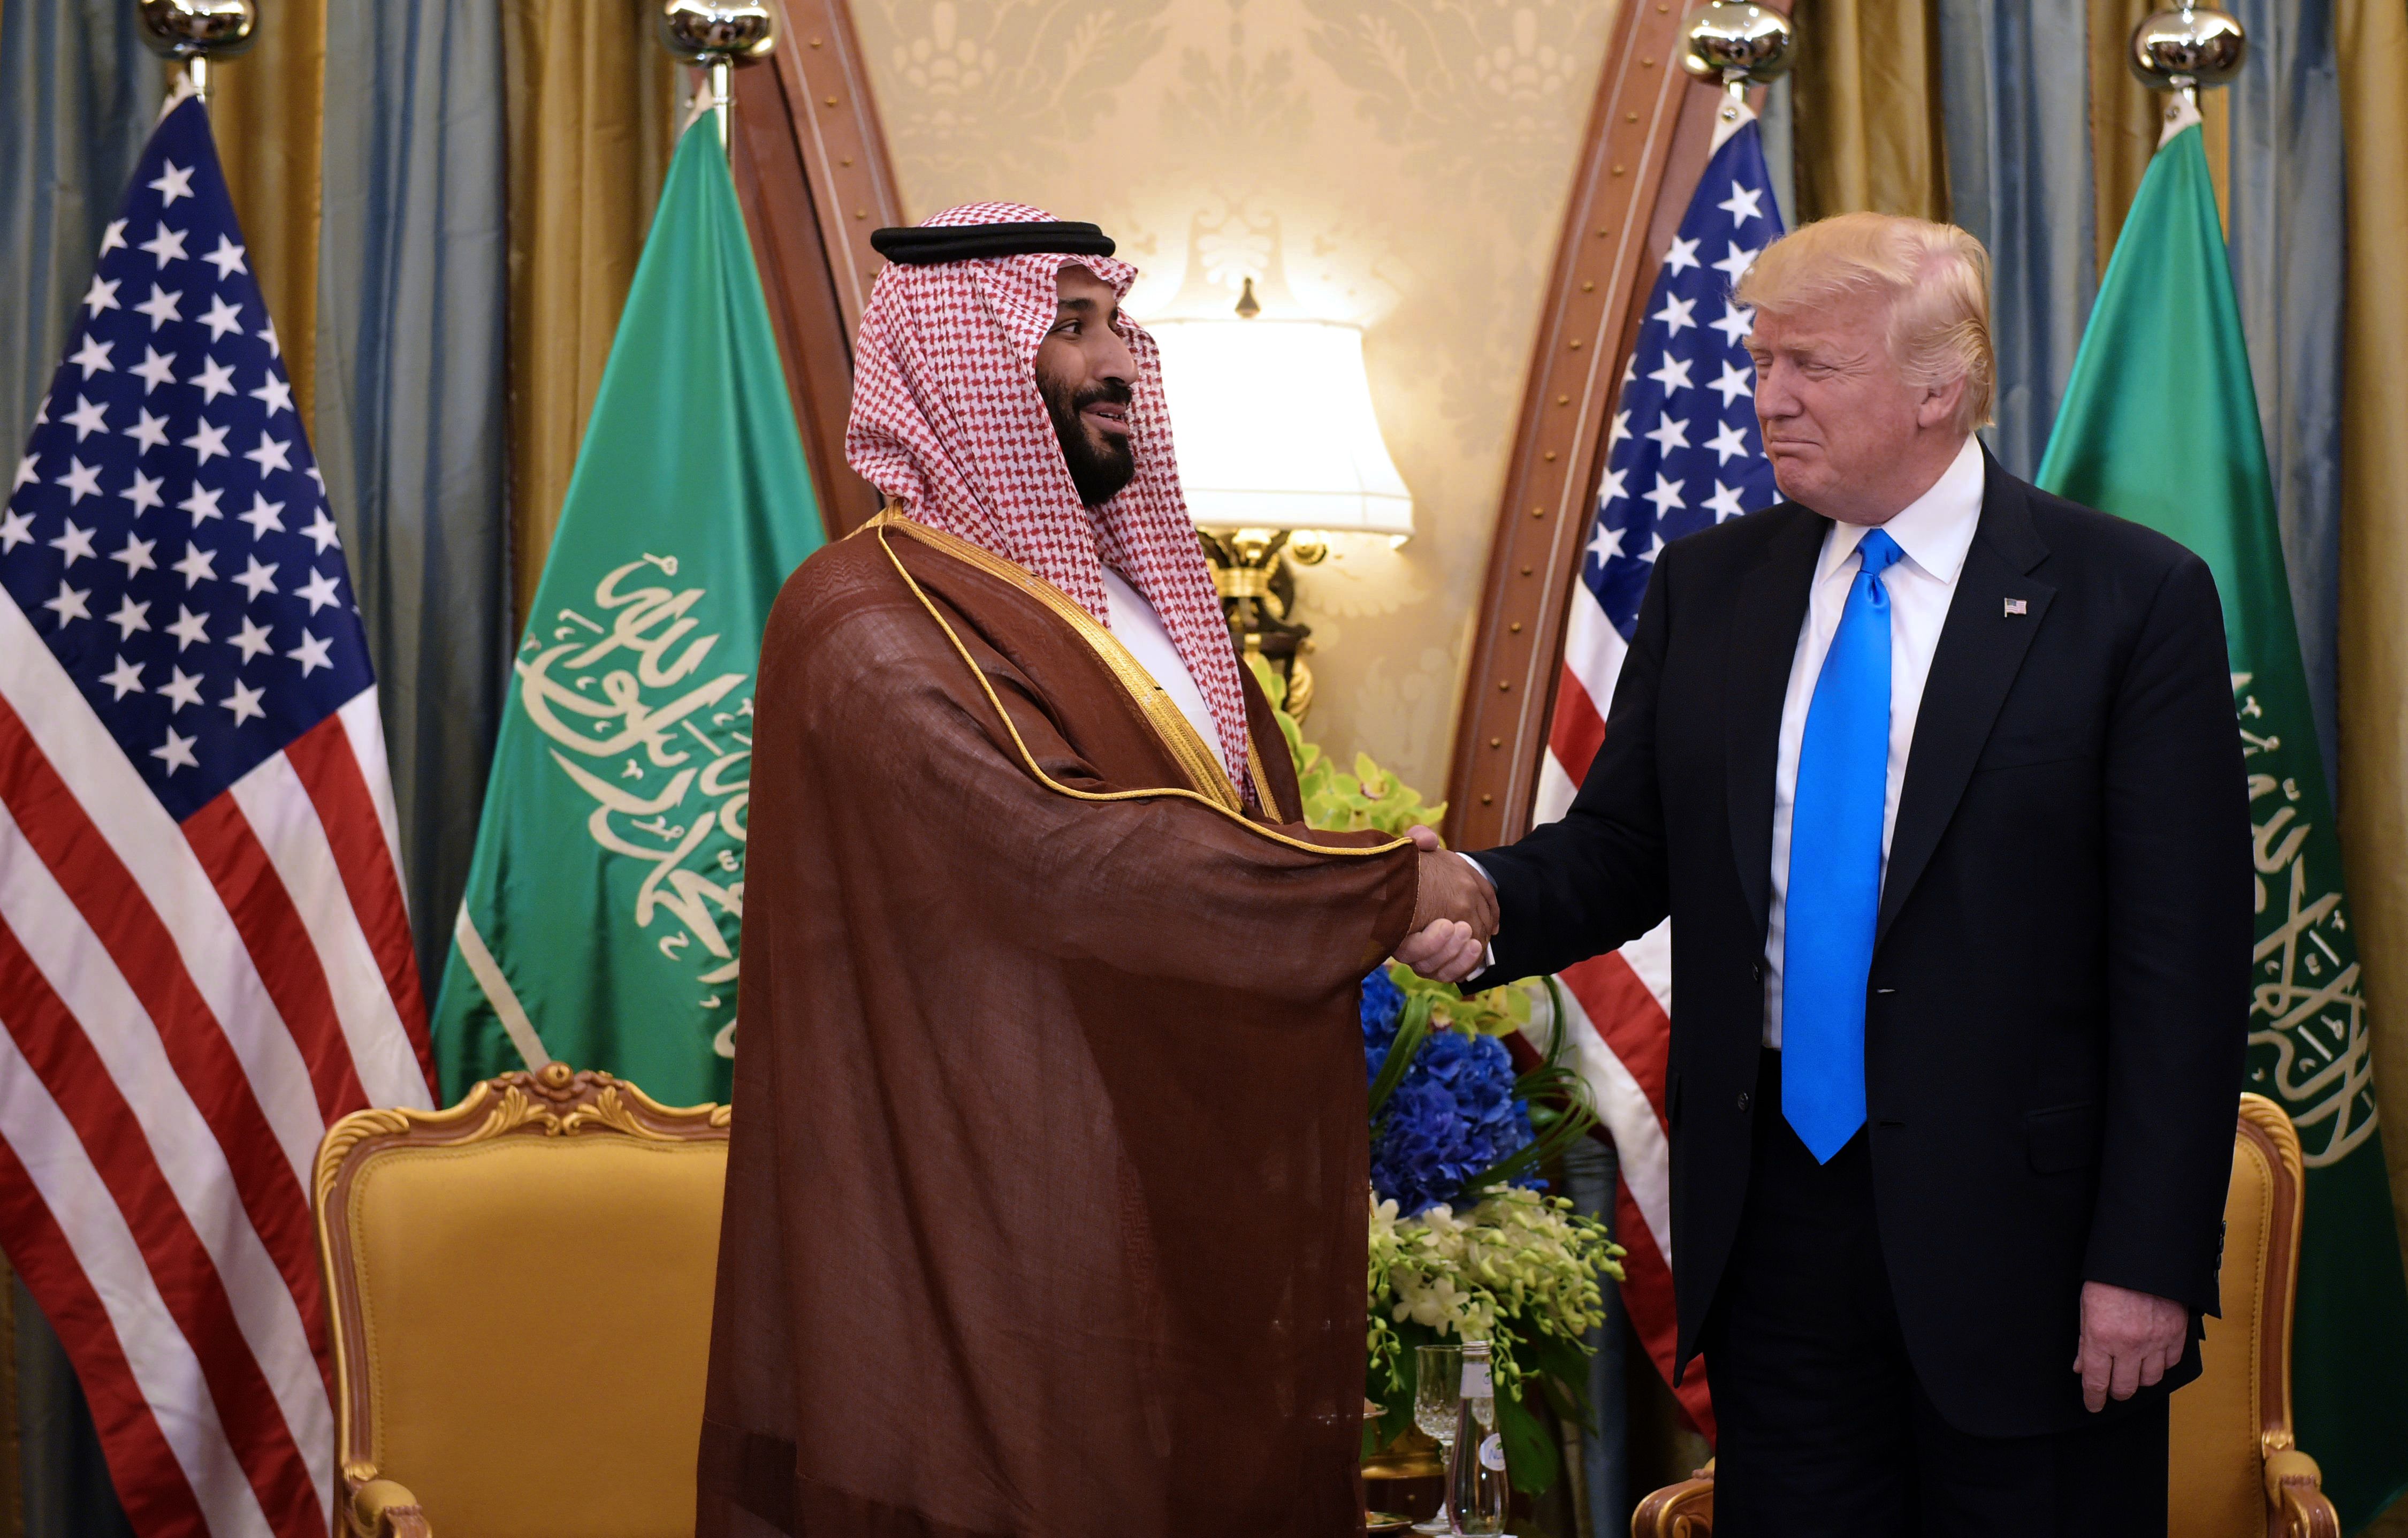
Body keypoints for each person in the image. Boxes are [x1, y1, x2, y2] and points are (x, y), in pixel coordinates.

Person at [1404, 212, 2250, 1534]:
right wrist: (1477, 899)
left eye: (1812, 367)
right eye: (1759, 363)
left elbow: (2184, 966)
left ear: (1938, 389)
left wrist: (2143, 1262)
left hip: (2029, 1249)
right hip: (1777, 1226)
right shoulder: (1713, 587)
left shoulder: (2127, 599)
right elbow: (1630, 849)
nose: (1769, 400)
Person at [696, 203, 1469, 1537]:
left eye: (1119, 323)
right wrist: (1388, 890)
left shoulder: (1134, 603)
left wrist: (1384, 887)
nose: (1121, 359)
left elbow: (1222, 824)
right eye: (1069, 326)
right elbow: (1062, 857)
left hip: (1167, 1192)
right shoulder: (866, 621)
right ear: (961, 363)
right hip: (982, 1206)